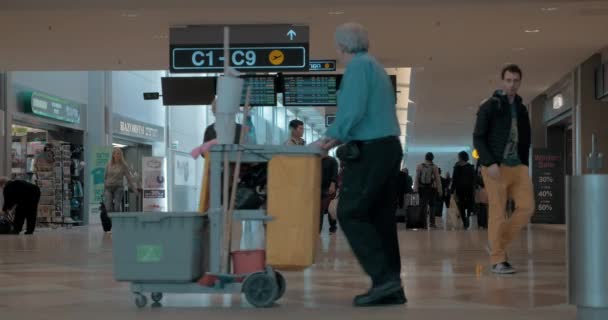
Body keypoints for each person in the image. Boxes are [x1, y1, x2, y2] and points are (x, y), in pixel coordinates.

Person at [318, 22, 405, 307]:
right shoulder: (376, 67)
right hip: (388, 147)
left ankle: (384, 279)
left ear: (342, 47)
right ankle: (392, 284)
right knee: (380, 217)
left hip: (372, 149)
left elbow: (352, 109)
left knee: (350, 211)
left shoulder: (357, 67)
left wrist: (329, 138)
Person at [473, 64, 533, 275]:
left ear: (520, 82)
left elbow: (525, 138)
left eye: (516, 80)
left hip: (518, 166)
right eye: (508, 80)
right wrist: (489, 162)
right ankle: (498, 259)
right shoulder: (490, 106)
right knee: (498, 212)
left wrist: (525, 162)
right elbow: (478, 137)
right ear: (502, 81)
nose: (512, 84)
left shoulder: (522, 108)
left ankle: (496, 243)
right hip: (495, 167)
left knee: (527, 207)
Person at [413, 152, 442, 229]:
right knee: (432, 206)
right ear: (432, 158)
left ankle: (424, 224)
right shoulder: (435, 167)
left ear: (425, 158)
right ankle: (432, 223)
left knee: (423, 206)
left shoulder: (420, 166)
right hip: (432, 188)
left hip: (422, 189)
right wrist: (439, 190)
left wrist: (415, 189)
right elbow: (437, 179)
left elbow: (416, 179)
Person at [451, 151, 476, 230]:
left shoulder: (456, 166)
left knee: (460, 205)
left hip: (459, 188)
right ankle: (468, 215)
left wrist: (452, 190)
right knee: (469, 203)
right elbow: (474, 178)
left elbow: (454, 179)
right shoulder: (470, 167)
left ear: (460, 157)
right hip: (469, 188)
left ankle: (464, 220)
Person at [320, 150, 339, 234]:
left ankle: (333, 227)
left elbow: (335, 174)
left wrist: (333, 184)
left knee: (329, 208)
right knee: (319, 209)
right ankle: (318, 229)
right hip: (318, 189)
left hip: (329, 188)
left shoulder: (332, 160)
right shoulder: (317, 161)